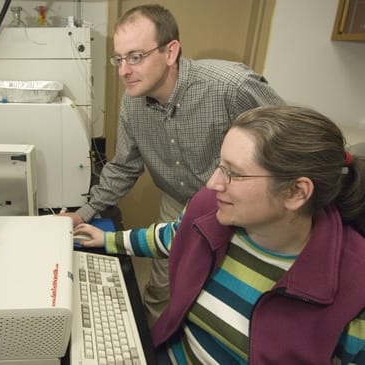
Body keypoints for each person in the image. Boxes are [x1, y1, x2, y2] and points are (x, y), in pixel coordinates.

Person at [73, 105, 365, 364]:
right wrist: (107, 239)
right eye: (219, 166)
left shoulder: (355, 291)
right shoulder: (211, 210)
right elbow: (174, 236)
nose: (213, 183)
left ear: (295, 192)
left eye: (233, 173)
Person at [61, 4, 285, 326]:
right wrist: (83, 213)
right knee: (161, 293)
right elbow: (124, 167)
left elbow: (293, 143)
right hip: (177, 205)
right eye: (119, 58)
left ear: (170, 52)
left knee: (230, 300)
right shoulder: (131, 102)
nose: (123, 70)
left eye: (135, 57)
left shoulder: (230, 86)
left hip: (242, 209)